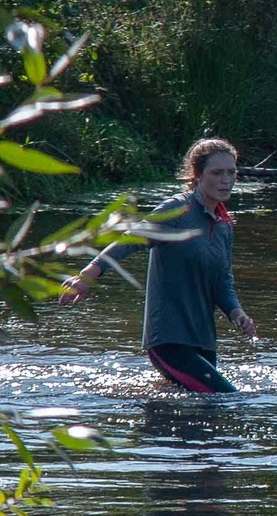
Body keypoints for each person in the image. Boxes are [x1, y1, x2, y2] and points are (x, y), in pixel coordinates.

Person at [60, 136, 256, 394]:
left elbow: (222, 281)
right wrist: (88, 274)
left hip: (204, 341)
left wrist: (237, 313)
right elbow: (131, 239)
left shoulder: (223, 226)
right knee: (226, 398)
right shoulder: (178, 210)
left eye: (231, 172)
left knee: (200, 419)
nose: (226, 179)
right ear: (197, 175)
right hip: (168, 340)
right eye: (217, 172)